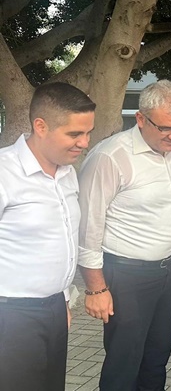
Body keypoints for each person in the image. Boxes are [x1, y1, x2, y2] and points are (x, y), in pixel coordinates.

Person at [78, 80, 171, 390]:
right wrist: (95, 288)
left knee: (156, 357)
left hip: (167, 272)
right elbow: (88, 227)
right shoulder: (110, 157)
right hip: (125, 275)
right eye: (167, 128)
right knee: (124, 361)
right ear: (141, 119)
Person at [0, 82, 95, 391]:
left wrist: (63, 300)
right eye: (74, 134)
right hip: (11, 314)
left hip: (55, 307)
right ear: (40, 126)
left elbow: (62, 242)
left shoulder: (68, 173)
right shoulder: (5, 173)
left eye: (87, 132)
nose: (84, 142)